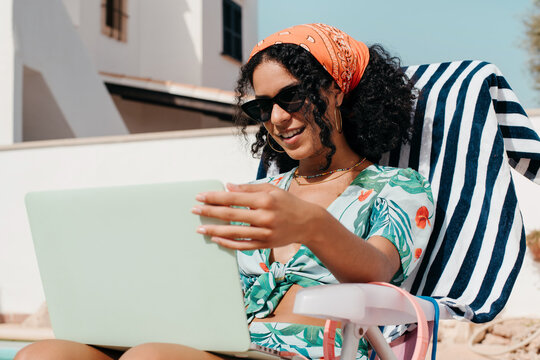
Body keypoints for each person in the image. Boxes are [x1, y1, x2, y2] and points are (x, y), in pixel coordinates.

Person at [15, 23, 434, 360]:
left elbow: (379, 272)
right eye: (261, 106)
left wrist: (312, 225)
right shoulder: (256, 193)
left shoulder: (395, 189)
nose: (276, 117)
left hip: (300, 351)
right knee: (42, 353)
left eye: (291, 97)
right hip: (220, 342)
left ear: (336, 89)